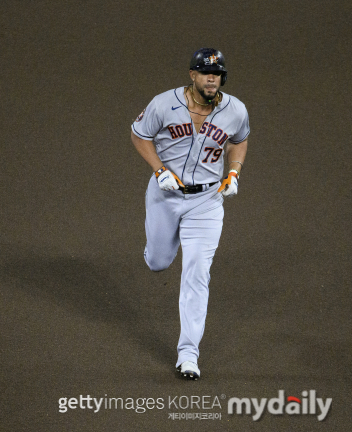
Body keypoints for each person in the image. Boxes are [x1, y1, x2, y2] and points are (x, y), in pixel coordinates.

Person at [130, 48, 249, 380]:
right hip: (165, 195)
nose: (212, 78)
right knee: (158, 261)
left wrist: (234, 171)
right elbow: (139, 135)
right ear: (192, 76)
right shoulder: (163, 104)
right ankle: (161, 245)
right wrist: (158, 170)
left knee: (196, 273)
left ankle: (188, 354)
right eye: (205, 72)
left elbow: (240, 139)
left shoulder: (235, 109)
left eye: (217, 73)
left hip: (207, 201)